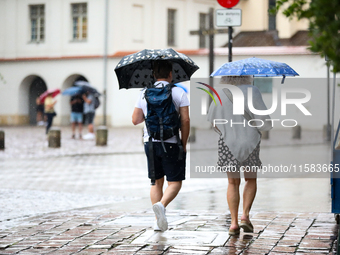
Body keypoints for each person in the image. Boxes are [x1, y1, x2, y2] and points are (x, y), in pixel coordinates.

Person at [207, 75, 272, 236]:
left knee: (232, 182)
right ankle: (245, 215)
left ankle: (234, 223)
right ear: (247, 76)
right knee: (250, 179)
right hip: (250, 142)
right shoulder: (253, 91)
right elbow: (264, 121)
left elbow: (212, 120)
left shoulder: (219, 93)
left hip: (228, 142)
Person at [132, 60, 190, 232]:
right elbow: (185, 120)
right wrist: (183, 143)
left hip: (150, 143)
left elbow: (135, 120)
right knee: (175, 182)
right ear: (170, 74)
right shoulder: (179, 92)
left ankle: (158, 221)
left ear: (153, 75)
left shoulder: (144, 92)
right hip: (171, 142)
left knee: (156, 183)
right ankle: (162, 205)